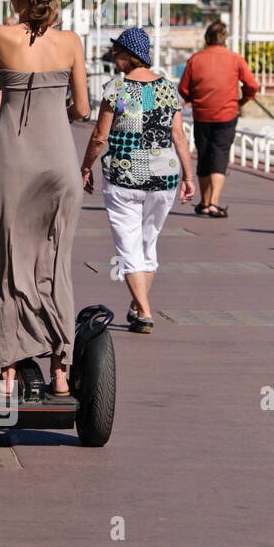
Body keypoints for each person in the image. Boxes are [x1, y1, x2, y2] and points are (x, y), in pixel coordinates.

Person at [0, 0, 90, 398]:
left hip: (13, 159)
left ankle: (9, 372)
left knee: (10, 265)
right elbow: (82, 108)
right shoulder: (71, 42)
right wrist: (54, 116)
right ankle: (60, 371)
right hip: (60, 162)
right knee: (55, 264)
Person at [81, 28, 195, 333]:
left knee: (128, 245)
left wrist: (85, 167)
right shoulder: (168, 89)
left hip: (124, 176)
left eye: (117, 52)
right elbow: (179, 136)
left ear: (129, 55)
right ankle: (136, 305)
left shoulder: (115, 89)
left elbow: (99, 136)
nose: (114, 58)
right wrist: (188, 175)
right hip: (164, 176)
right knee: (148, 244)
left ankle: (144, 311)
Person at [177, 20, 260, 218]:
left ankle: (204, 203)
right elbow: (252, 85)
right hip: (227, 114)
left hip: (202, 114)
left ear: (207, 38)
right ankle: (214, 203)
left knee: (204, 156)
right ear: (225, 38)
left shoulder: (196, 60)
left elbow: (183, 88)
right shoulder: (235, 59)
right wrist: (242, 101)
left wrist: (192, 99)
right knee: (220, 155)